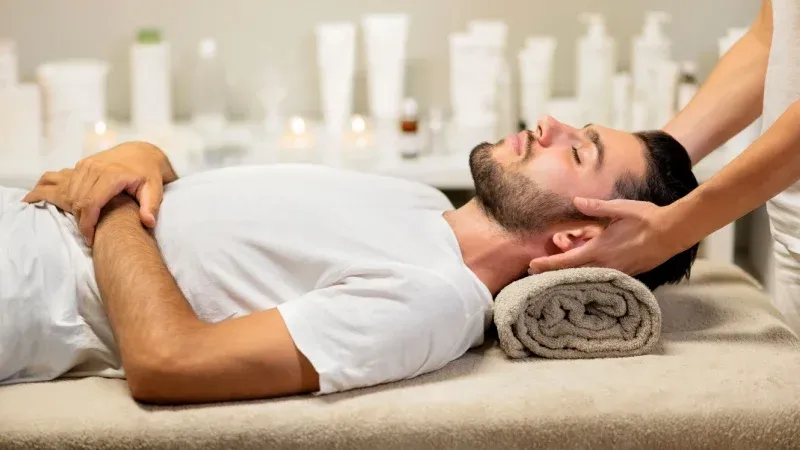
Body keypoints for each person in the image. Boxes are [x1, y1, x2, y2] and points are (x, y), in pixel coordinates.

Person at [0, 115, 698, 404]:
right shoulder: (424, 203)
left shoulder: (433, 299)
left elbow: (167, 362)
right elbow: (213, 233)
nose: (547, 124)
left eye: (577, 151)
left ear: (576, 240)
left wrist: (113, 203)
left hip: (25, 284)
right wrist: (144, 159)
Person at [527, 0, 800, 334]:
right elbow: (772, 38)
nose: (546, 123)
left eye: (579, 153)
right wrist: (653, 165)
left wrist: (676, 228)